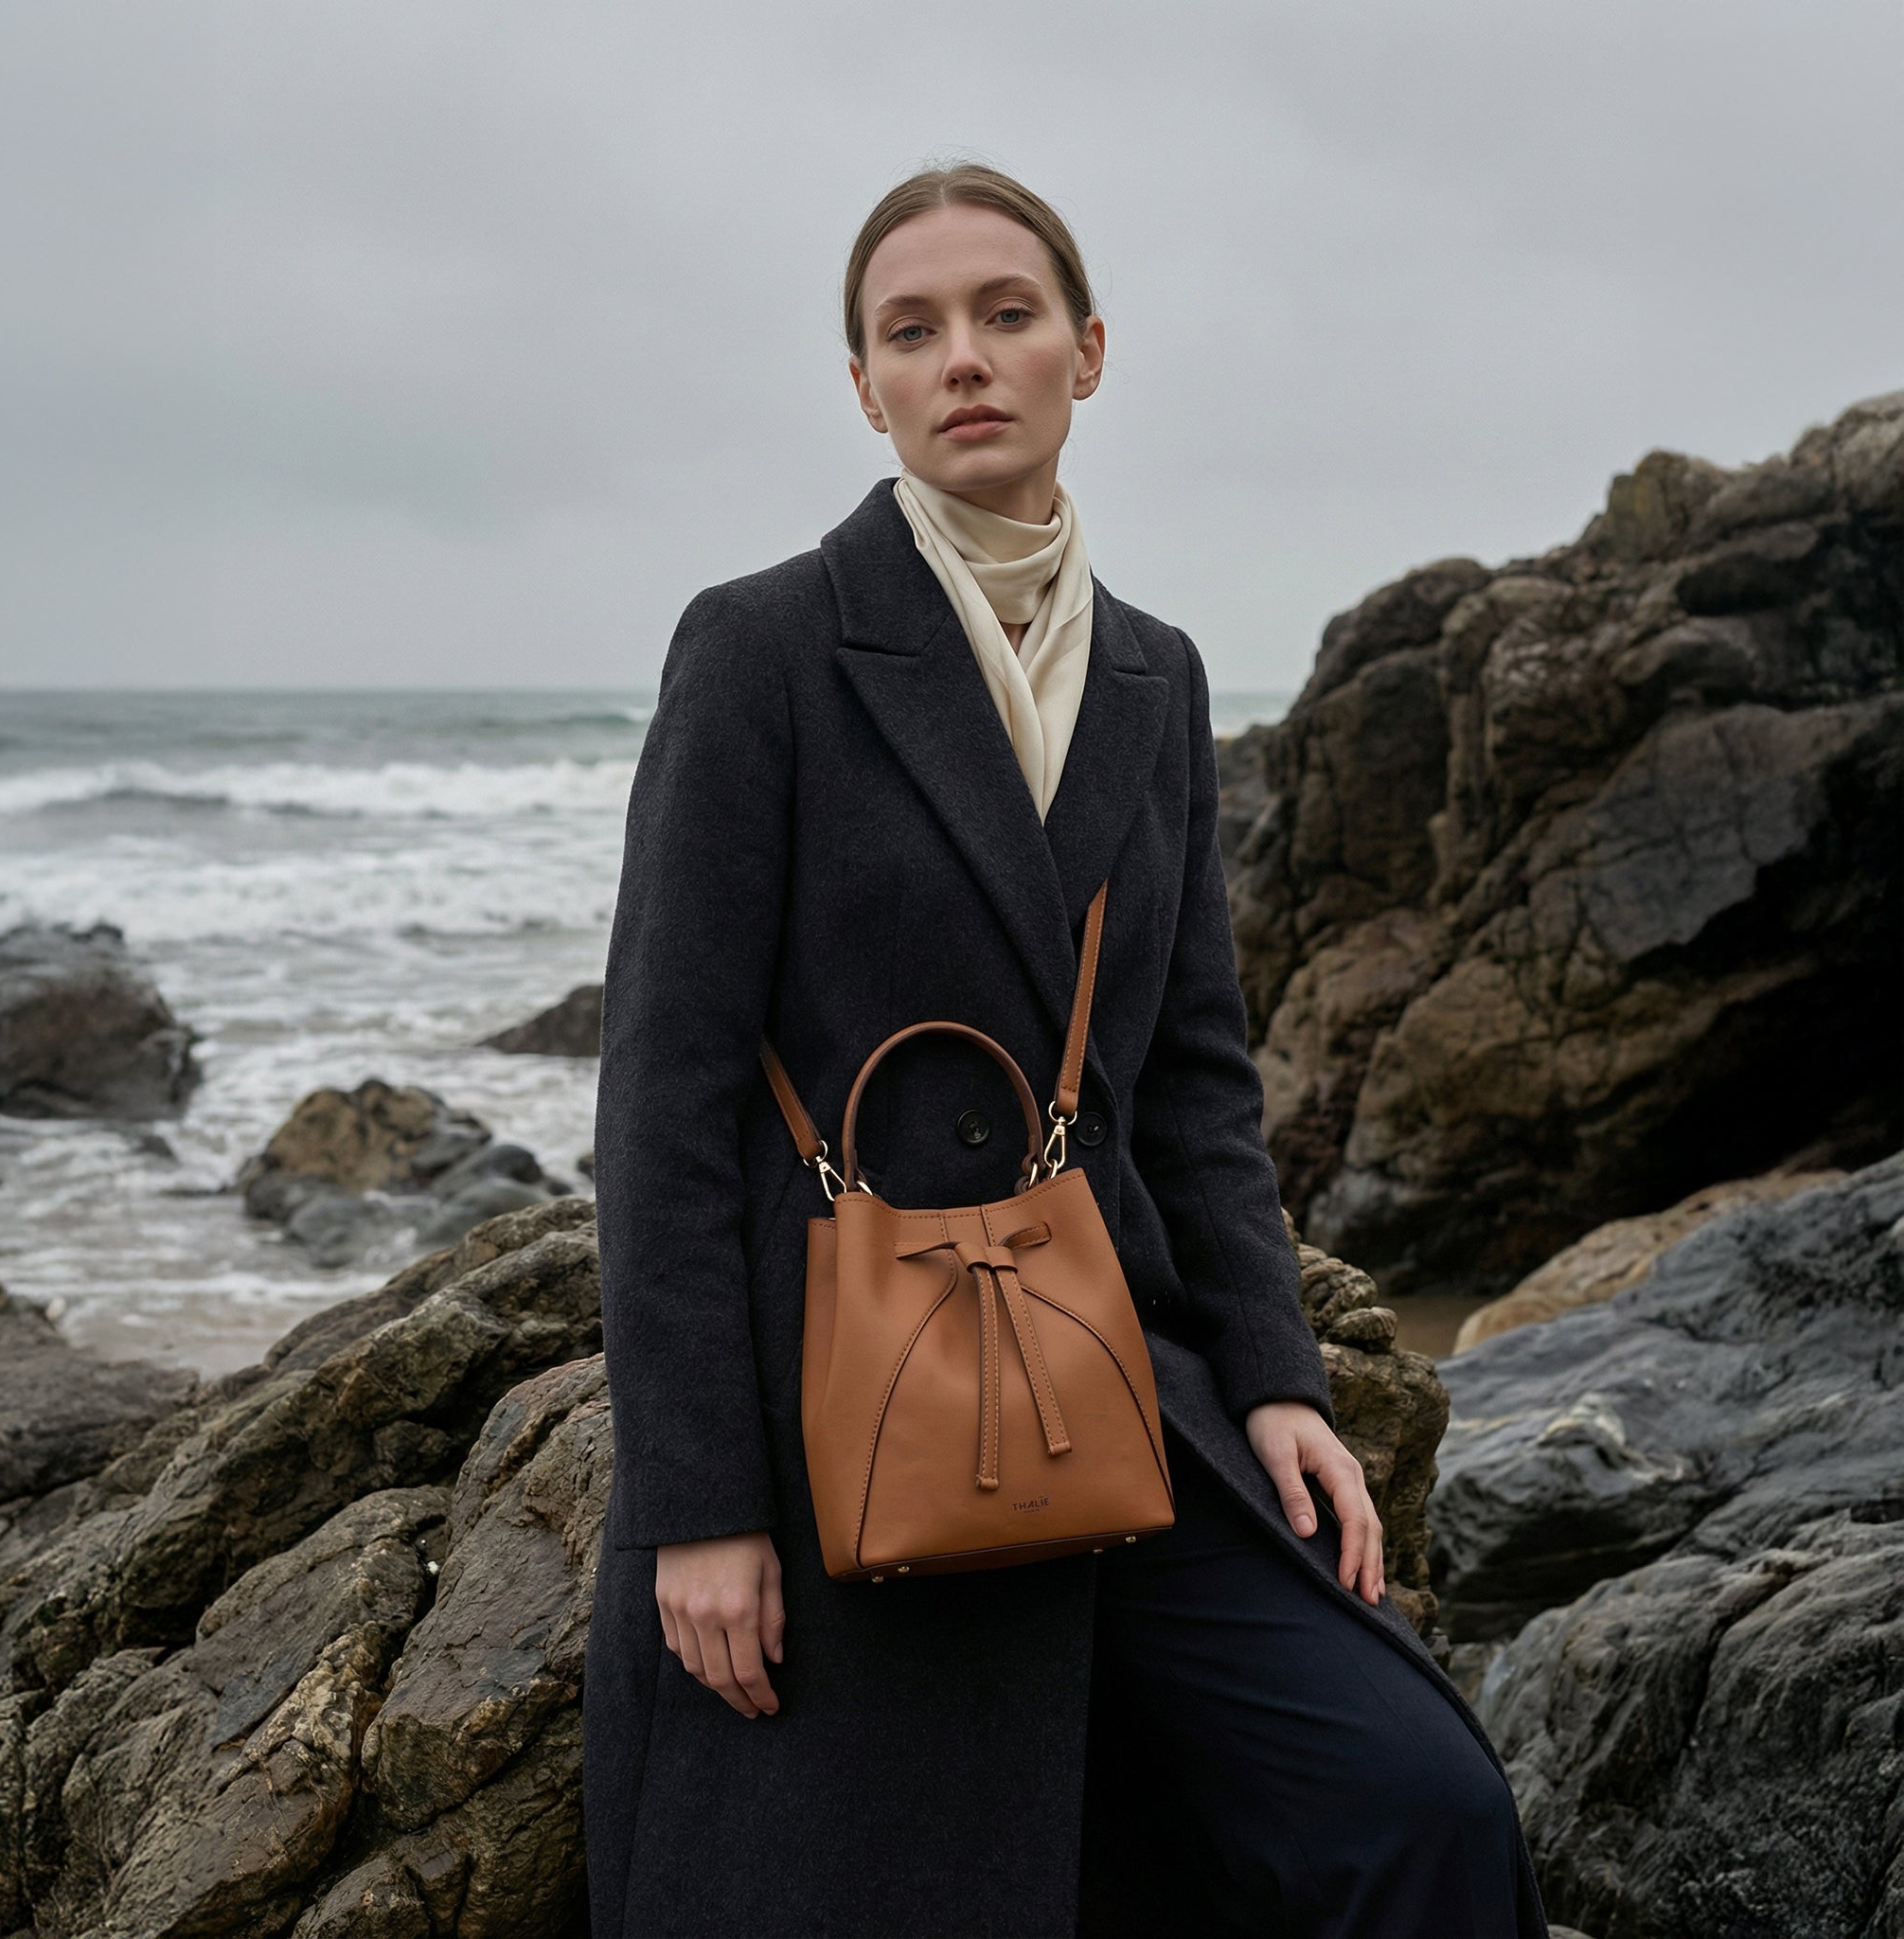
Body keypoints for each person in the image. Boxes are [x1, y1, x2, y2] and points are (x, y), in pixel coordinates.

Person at [582, 162, 1550, 1938]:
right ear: (863, 382)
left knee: (1419, 1806)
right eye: (913, 329)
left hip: (1109, 1384)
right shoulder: (766, 647)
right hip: (840, 1417)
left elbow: (1190, 1080)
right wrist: (694, 1507)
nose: (965, 358)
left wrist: (1275, 1381)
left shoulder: (1158, 679)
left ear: (1086, 354)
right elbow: (658, 1096)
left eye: (1007, 315)